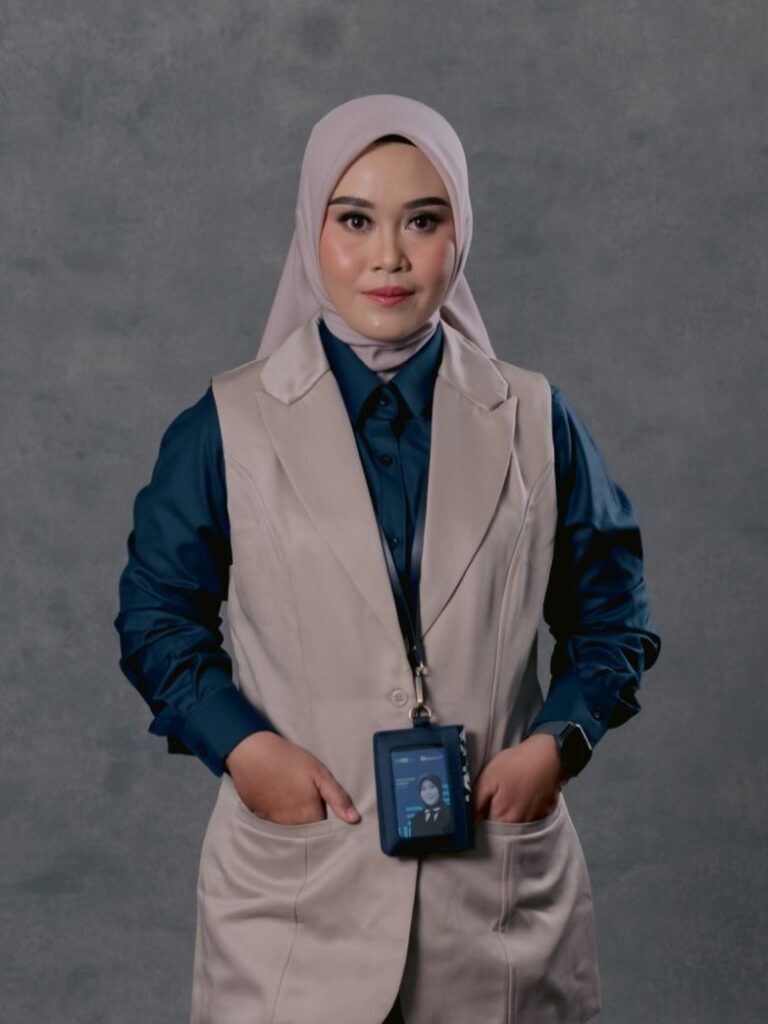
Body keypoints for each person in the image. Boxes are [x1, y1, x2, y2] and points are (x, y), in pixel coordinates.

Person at [115, 94, 660, 1024]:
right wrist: (245, 749)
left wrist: (557, 744)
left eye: (424, 220)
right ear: (310, 230)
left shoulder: (536, 419)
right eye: (356, 220)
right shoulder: (224, 426)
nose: (390, 257)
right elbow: (158, 616)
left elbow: (614, 615)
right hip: (297, 895)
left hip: (494, 898)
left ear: (461, 235)